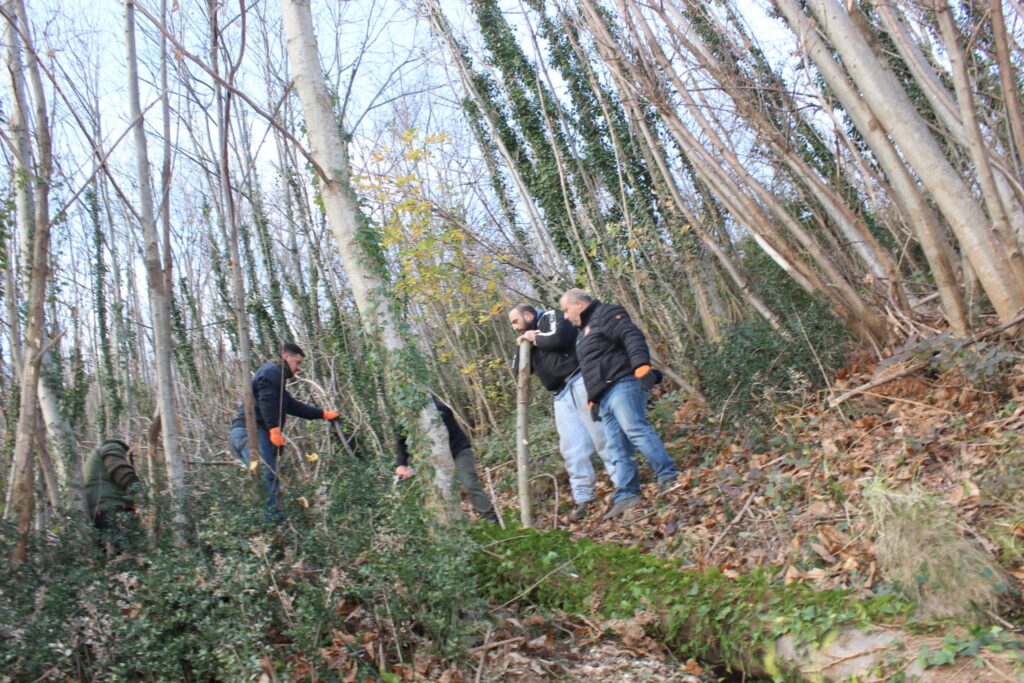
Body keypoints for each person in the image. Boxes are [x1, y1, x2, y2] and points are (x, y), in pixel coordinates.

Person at [559, 288, 678, 520]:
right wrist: (592, 400)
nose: (564, 316)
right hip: (603, 396)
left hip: (622, 383)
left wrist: (642, 365)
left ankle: (668, 476)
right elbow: (591, 368)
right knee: (616, 446)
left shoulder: (606, 314)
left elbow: (630, 335)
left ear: (580, 305)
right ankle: (627, 494)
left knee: (635, 429)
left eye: (566, 309)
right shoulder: (582, 334)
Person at [509, 302, 615, 522]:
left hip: (579, 381)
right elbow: (520, 369)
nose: (514, 327)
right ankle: (584, 497)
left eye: (516, 321)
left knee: (601, 434)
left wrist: (535, 338)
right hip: (560, 395)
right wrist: (524, 344)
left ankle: (623, 482)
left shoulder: (550, 317)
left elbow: (559, 338)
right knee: (571, 447)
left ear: (528, 315)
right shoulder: (528, 335)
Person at [229, 342, 340, 521]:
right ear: (286, 356)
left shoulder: (277, 383)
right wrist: (274, 430)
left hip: (242, 434)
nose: (298, 368)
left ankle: (264, 527)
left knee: (262, 482)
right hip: (251, 432)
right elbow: (267, 401)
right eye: (298, 362)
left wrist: (324, 414)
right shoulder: (272, 372)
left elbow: (294, 406)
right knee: (267, 478)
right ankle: (274, 529)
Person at [395, 398, 499, 523]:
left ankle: (491, 520)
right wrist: (401, 465)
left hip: (458, 451)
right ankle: (452, 525)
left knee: (470, 483)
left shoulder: (438, 409)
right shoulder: (406, 419)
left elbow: (443, 416)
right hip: (433, 459)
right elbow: (401, 443)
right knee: (437, 492)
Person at [84, 438, 144, 551]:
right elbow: (122, 474)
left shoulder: (93, 460)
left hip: (97, 515)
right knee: (128, 556)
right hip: (112, 511)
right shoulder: (113, 448)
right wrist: (143, 496)